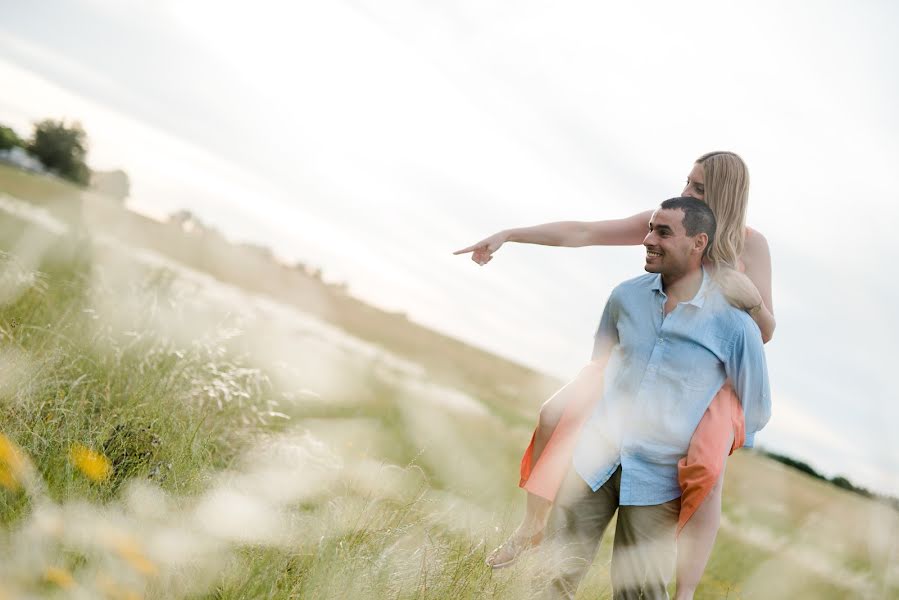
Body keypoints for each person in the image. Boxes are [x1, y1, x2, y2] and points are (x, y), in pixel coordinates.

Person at [453, 151, 774, 598]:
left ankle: (685, 590)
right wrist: (510, 234)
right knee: (552, 415)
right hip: (645, 350)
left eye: (698, 188)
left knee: (706, 470)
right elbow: (585, 232)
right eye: (687, 182)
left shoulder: (749, 245)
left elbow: (764, 332)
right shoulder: (666, 221)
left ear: (724, 193)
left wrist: (752, 302)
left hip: (705, 377)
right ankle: (532, 526)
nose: (685, 192)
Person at [542, 197, 771, 599]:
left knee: (639, 594)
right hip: (593, 463)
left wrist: (704, 450)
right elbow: (600, 366)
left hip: (659, 481)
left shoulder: (736, 326)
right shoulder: (624, 297)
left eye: (663, 232)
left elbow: (756, 409)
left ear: (699, 242)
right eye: (649, 228)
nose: (648, 239)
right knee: (550, 580)